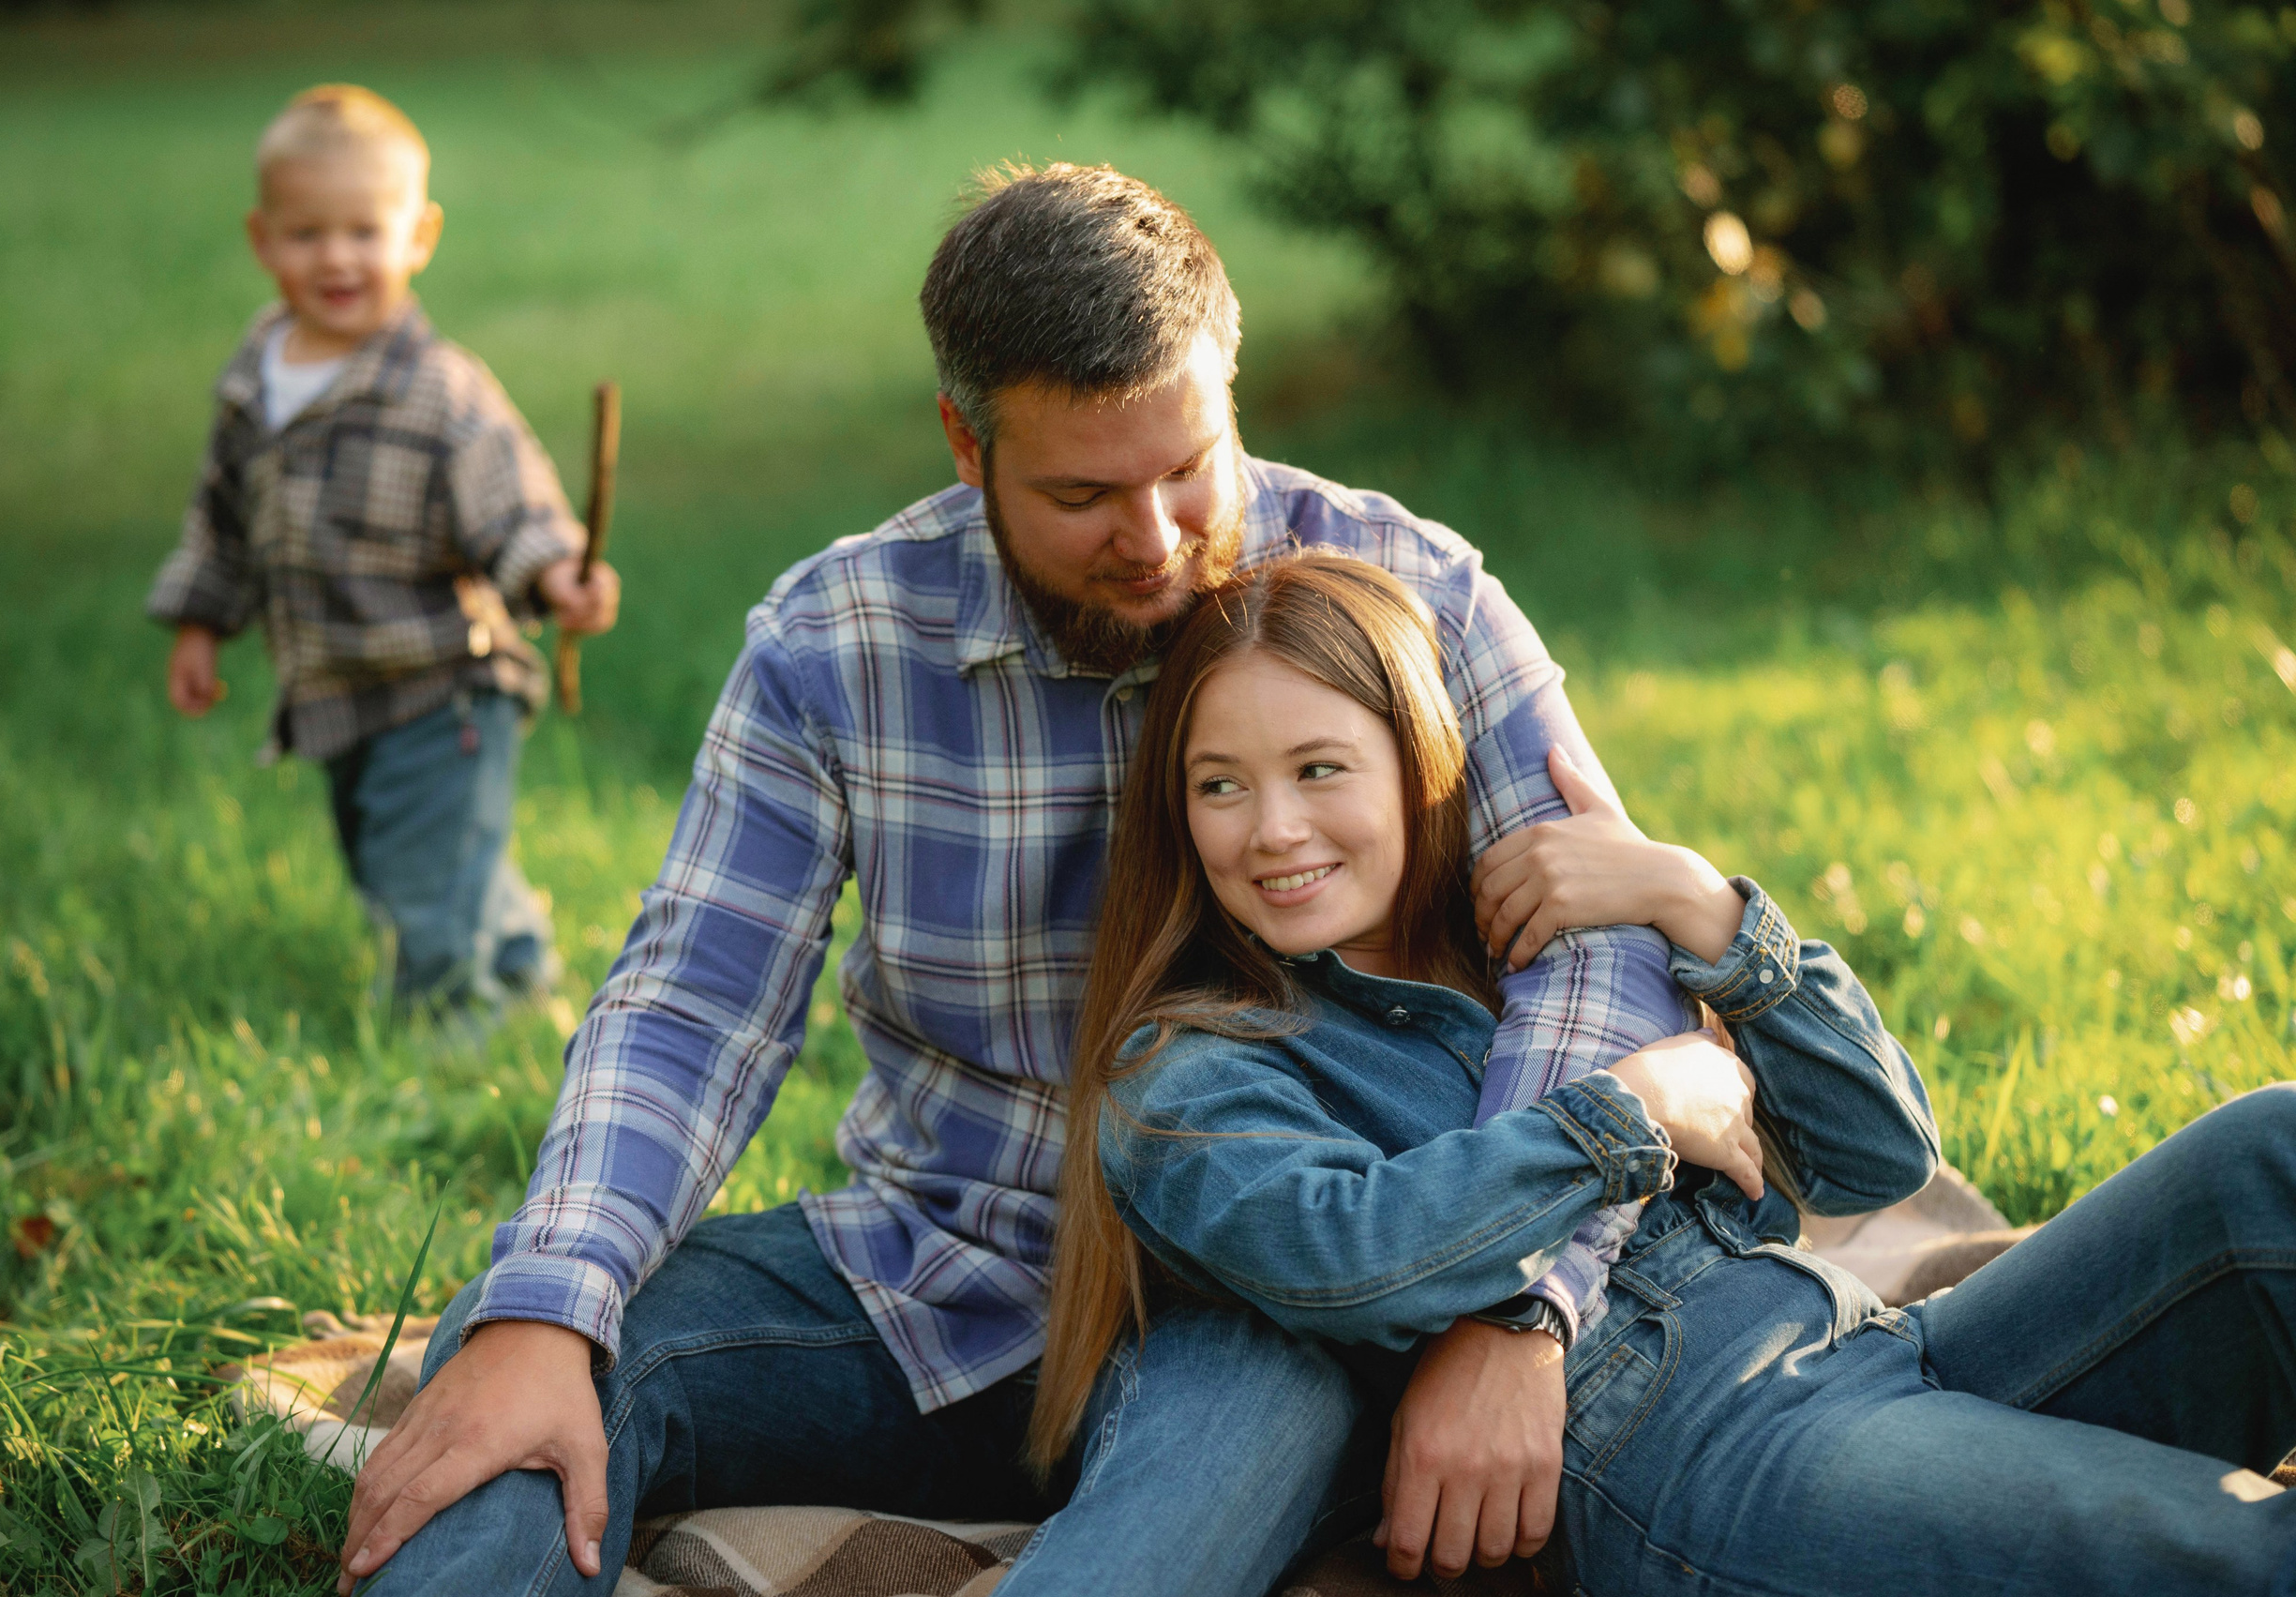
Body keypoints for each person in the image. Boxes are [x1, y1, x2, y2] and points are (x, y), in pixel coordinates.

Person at [338, 163, 1700, 1596]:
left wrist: (1520, 1308)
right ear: (963, 444)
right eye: (1082, 494)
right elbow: (692, 1006)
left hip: (1264, 1305)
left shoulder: (1411, 590)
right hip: (935, 1265)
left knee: (1215, 1466)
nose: (1160, 541)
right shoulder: (834, 641)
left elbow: (1597, 945)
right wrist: (553, 1303)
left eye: (1191, 467)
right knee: (533, 1364)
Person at [1027, 549, 2296, 1595]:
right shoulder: (1188, 1063)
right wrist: (1638, 1108)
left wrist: (1700, 905)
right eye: (1220, 785)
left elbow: (1880, 1149)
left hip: (1869, 1343)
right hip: (1700, 1452)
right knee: (2238, 1550)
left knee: (2269, 1156)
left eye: (1319, 768)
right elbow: (1351, 1248)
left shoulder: (1538, 956)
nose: (1274, 828)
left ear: (1418, 763)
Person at [146, 83, 620, 1015]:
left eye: (365, 231)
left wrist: (558, 568)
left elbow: (510, 503)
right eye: (307, 232)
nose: (337, 257)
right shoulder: (256, 375)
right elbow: (222, 514)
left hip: (443, 691)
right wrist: (201, 623)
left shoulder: (440, 392)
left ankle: (454, 1046)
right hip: (336, 693)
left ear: (419, 236)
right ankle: (525, 977)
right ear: (262, 238)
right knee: (400, 859)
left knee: (421, 881)